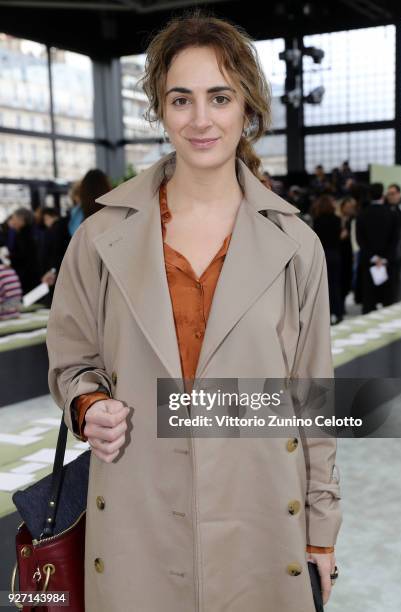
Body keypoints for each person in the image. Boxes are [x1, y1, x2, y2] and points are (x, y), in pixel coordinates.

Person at [46, 10, 341, 612]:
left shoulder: (295, 245)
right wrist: (87, 404)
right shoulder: (100, 238)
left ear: (247, 109)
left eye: (220, 97)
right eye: (181, 99)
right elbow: (72, 359)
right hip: (137, 509)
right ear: (159, 107)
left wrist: (321, 530)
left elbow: (314, 399)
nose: (201, 119)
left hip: (259, 511)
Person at [356, 182, 399, 314]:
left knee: (369, 300)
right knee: (388, 300)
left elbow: (360, 240)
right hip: (387, 263)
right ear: (382, 194)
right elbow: (395, 239)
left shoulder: (362, 214)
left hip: (369, 262)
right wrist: (384, 258)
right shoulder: (391, 214)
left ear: (369, 195)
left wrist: (374, 258)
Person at [311, 195, 343, 324]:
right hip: (335, 254)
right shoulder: (337, 220)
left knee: (324, 287)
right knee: (336, 285)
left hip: (322, 255)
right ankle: (339, 312)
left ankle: (326, 315)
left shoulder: (317, 220)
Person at [7, 207, 40, 294]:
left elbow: (23, 256)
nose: (12, 221)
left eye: (14, 218)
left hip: (26, 277)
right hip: (30, 275)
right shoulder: (29, 232)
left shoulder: (24, 236)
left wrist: (10, 257)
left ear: (22, 220)